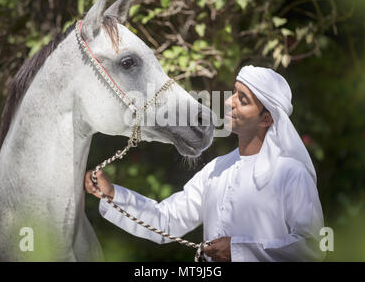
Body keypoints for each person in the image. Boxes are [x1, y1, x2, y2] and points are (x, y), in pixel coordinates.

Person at [84, 65, 326, 262]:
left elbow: (314, 247)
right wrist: (113, 194)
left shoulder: (291, 174)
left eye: (243, 99)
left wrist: (239, 251)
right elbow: (167, 220)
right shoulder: (216, 169)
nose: (230, 102)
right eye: (234, 93)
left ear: (266, 118)